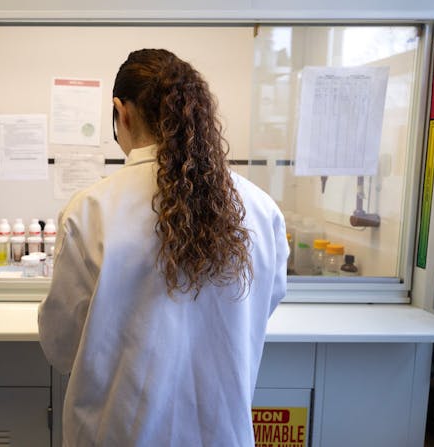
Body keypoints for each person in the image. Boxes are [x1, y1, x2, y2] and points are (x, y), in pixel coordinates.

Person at [38, 49, 288, 446]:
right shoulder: (259, 208)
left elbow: (62, 346)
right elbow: (265, 304)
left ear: (122, 112)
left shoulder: (91, 211)